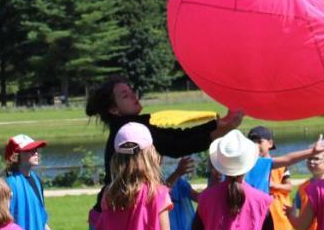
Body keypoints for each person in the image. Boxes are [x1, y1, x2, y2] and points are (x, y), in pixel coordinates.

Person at [86, 76, 244, 179]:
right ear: (114, 110)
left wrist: (218, 124)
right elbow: (177, 145)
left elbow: (178, 136)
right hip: (117, 218)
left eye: (131, 91)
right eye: (125, 96)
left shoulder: (132, 125)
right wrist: (219, 131)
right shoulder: (131, 131)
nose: (134, 96)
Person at [3, 134, 58, 230]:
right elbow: (3, 219)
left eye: (36, 150)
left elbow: (38, 212)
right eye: (30, 151)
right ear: (16, 156)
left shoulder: (35, 179)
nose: (36, 153)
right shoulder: (8, 184)